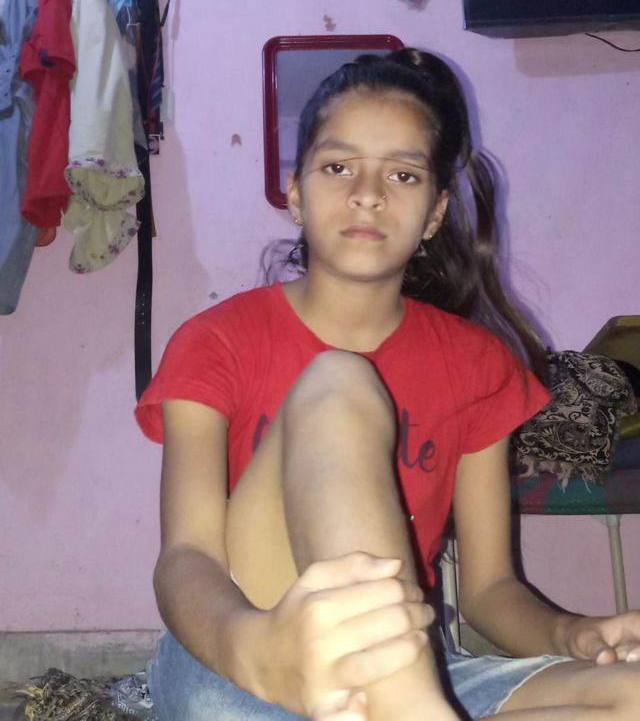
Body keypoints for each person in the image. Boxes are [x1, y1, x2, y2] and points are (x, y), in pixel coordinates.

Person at [135, 49, 640, 720]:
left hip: (413, 667)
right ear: (295, 194)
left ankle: (407, 705)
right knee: (339, 380)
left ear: (434, 213)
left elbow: (489, 590)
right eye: (338, 167)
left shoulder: (477, 364)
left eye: (402, 174)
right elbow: (186, 556)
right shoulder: (215, 342)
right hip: (241, 648)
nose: (368, 193)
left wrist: (570, 635)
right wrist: (253, 649)